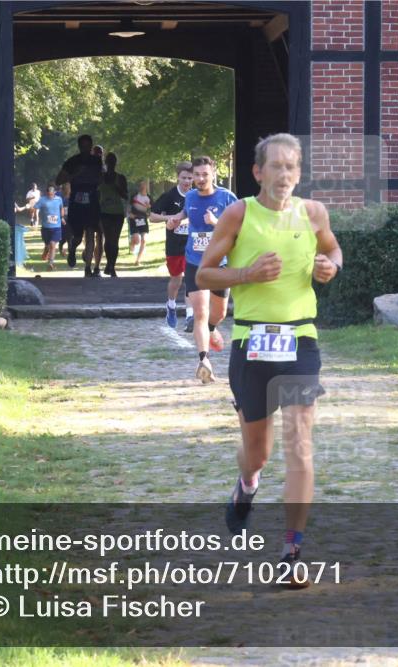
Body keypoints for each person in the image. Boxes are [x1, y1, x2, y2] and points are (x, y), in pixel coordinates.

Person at [195, 133, 341, 586]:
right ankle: (247, 485)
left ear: (299, 173)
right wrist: (246, 274)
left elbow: (332, 248)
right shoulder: (240, 213)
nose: (284, 175)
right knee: (258, 453)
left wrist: (331, 266)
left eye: (292, 167)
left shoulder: (313, 213)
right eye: (275, 166)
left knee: (299, 443)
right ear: (258, 172)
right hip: (251, 343)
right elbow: (204, 272)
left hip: (300, 340)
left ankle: (292, 552)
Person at [184, 156, 236, 383]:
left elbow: (242, 227)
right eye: (197, 174)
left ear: (214, 174)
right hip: (195, 262)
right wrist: (175, 219)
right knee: (201, 313)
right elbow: (187, 214)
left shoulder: (227, 197)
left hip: (220, 264)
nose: (200, 178)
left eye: (205, 174)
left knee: (219, 313)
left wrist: (217, 223)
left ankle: (212, 329)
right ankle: (204, 361)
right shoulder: (190, 197)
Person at [149, 161, 193, 328]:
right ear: (177, 178)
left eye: (190, 178)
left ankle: (190, 316)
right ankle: (171, 305)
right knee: (177, 279)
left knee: (190, 279)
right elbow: (152, 217)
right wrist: (170, 218)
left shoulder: (196, 195)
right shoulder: (170, 196)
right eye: (184, 178)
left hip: (192, 244)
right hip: (174, 245)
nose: (187, 181)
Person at [55, 134, 103, 275]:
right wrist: (75, 174)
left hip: (92, 200)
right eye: (83, 146)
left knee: (90, 233)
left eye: (88, 146)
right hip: (77, 200)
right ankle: (72, 249)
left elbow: (100, 179)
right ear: (79, 147)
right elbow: (58, 180)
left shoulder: (97, 161)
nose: (86, 149)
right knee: (77, 236)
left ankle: (88, 267)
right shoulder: (72, 162)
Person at [16, 183, 65, 270]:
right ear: (47, 193)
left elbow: (61, 208)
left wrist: (62, 218)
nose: (51, 195)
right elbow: (34, 208)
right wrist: (28, 208)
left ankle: (50, 263)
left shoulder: (59, 199)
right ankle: (45, 252)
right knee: (47, 245)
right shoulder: (42, 200)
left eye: (52, 193)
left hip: (56, 227)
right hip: (46, 228)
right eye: (49, 194)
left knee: (53, 245)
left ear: (55, 192)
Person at [97, 151, 127, 277]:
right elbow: (96, 193)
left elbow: (125, 195)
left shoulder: (120, 178)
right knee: (108, 239)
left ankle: (112, 266)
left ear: (115, 163)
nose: (111, 164)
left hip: (117, 213)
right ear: (106, 162)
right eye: (109, 161)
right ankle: (110, 264)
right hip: (104, 212)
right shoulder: (100, 177)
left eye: (113, 161)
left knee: (114, 240)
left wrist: (117, 188)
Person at [128, 179, 151, 266]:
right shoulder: (134, 196)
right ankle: (132, 242)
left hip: (143, 220)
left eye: (144, 185)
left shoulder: (148, 197)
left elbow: (151, 209)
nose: (142, 187)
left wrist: (149, 212)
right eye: (141, 185)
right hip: (134, 220)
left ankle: (138, 260)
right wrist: (129, 214)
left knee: (144, 240)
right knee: (137, 240)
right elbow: (129, 207)